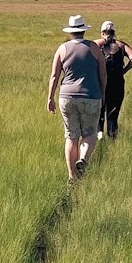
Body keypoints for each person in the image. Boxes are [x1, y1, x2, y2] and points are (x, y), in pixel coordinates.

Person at [47, 15, 107, 183]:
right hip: (91, 96)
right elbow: (103, 73)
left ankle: (72, 176)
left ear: (71, 32)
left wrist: (50, 98)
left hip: (66, 97)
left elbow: (54, 76)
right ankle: (84, 159)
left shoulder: (62, 48)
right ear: (83, 30)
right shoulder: (94, 47)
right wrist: (102, 92)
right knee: (90, 133)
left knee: (71, 136)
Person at [96, 20, 132, 139]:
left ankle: (99, 135)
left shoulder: (98, 45)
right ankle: (112, 136)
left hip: (100, 83)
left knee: (99, 111)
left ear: (102, 33)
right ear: (114, 32)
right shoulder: (121, 45)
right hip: (117, 83)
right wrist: (124, 70)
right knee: (113, 114)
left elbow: (88, 48)